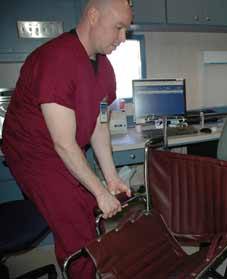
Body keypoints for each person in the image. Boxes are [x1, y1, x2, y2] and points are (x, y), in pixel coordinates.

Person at [2, 0, 132, 277]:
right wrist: (99, 191)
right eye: (119, 28)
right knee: (77, 228)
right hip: (35, 154)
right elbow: (61, 143)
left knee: (90, 210)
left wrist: (110, 178)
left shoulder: (105, 69)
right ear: (93, 16)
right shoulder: (56, 60)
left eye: (126, 30)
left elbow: (98, 124)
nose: (123, 38)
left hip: (65, 147)